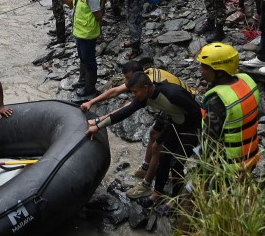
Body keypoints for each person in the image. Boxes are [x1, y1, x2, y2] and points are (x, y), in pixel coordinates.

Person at [86, 72, 201, 206]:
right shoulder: (145, 97)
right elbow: (124, 112)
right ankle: (156, 195)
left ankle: (175, 201)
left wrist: (200, 135)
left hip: (193, 127)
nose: (133, 95)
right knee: (163, 158)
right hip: (175, 123)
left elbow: (196, 111)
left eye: (135, 92)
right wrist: (98, 126)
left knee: (176, 165)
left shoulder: (172, 93)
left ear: (145, 88)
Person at [197, 43, 261, 171]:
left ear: (219, 72)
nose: (201, 70)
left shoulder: (217, 101)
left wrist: (201, 170)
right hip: (251, 155)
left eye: (205, 67)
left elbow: (209, 142)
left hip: (229, 166)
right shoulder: (247, 80)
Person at [55, 0, 102, 98]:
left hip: (88, 34)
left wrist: (91, 26)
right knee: (83, 59)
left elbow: (98, 16)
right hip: (79, 32)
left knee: (89, 61)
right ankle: (83, 81)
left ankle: (89, 88)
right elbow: (71, 4)